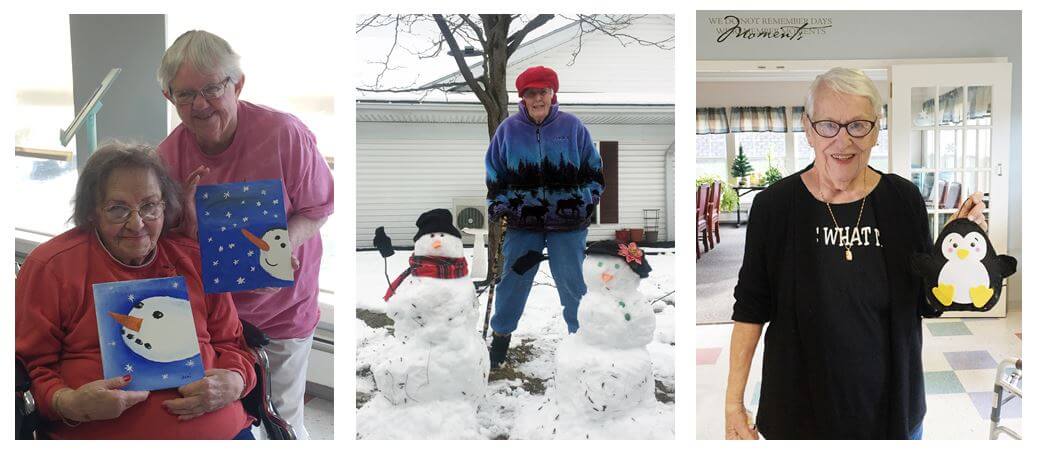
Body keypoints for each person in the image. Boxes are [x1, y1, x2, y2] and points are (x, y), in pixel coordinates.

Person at [724, 67, 989, 440]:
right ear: (808, 128)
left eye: (858, 125)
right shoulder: (775, 206)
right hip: (798, 412)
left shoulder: (902, 199)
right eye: (828, 125)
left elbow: (928, 301)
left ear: (876, 130)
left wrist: (955, 257)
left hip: (892, 411)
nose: (842, 140)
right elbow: (751, 307)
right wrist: (733, 403)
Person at [156, 30, 334, 439]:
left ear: (236, 83)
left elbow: (318, 207)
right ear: (170, 98)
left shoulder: (284, 134)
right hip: (213, 319)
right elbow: (165, 245)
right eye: (185, 95)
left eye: (212, 89)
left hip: (282, 310)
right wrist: (181, 221)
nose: (200, 105)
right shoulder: (166, 158)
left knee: (282, 420)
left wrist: (286, 241)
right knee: (227, 417)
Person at [16, 142, 256, 439]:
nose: (137, 223)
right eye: (118, 208)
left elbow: (233, 344)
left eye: (149, 206)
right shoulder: (52, 267)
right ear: (92, 212)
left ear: (164, 206)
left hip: (220, 430)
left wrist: (235, 381)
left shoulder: (195, 258)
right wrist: (70, 403)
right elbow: (28, 369)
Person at [484, 65, 605, 368]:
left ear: (553, 94)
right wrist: (499, 203)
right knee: (513, 281)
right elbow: (494, 173)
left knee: (573, 284)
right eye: (531, 93)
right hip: (523, 224)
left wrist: (585, 201)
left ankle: (582, 343)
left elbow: (595, 171)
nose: (538, 98)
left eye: (543, 92)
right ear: (522, 98)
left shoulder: (573, 127)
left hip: (568, 226)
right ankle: (500, 340)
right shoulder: (508, 131)